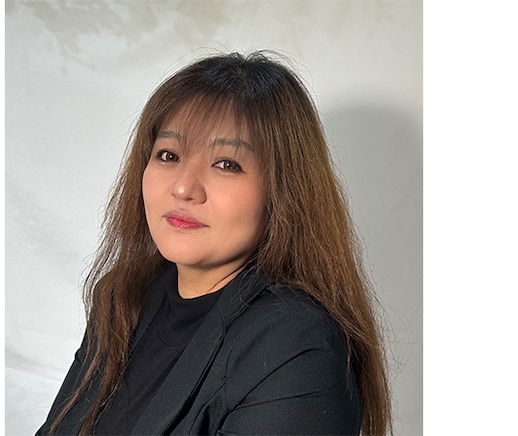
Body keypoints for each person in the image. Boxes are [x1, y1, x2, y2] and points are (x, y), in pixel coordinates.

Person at [36, 51, 392, 435]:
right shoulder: (122, 297)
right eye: (169, 155)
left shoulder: (297, 346)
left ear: (283, 192)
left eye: (226, 164)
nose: (183, 187)